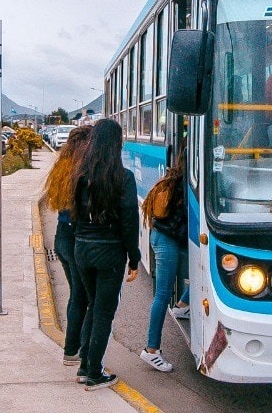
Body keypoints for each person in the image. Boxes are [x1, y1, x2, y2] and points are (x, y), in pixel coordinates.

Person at [70, 119, 140, 390]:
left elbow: (75, 215)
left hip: (82, 249)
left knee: (91, 304)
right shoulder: (123, 177)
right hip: (109, 253)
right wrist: (134, 258)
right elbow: (129, 221)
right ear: (116, 144)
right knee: (103, 312)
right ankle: (94, 373)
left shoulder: (80, 175)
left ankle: (85, 365)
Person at [42, 125, 93, 365]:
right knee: (81, 296)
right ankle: (73, 349)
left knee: (77, 294)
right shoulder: (81, 172)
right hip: (74, 238)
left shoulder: (62, 167)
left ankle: (75, 347)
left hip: (61, 236)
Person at [139, 154, 189, 373]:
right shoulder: (185, 185)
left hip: (166, 237)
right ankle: (151, 350)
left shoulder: (174, 178)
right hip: (167, 241)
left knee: (205, 272)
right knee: (162, 295)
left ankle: (182, 306)